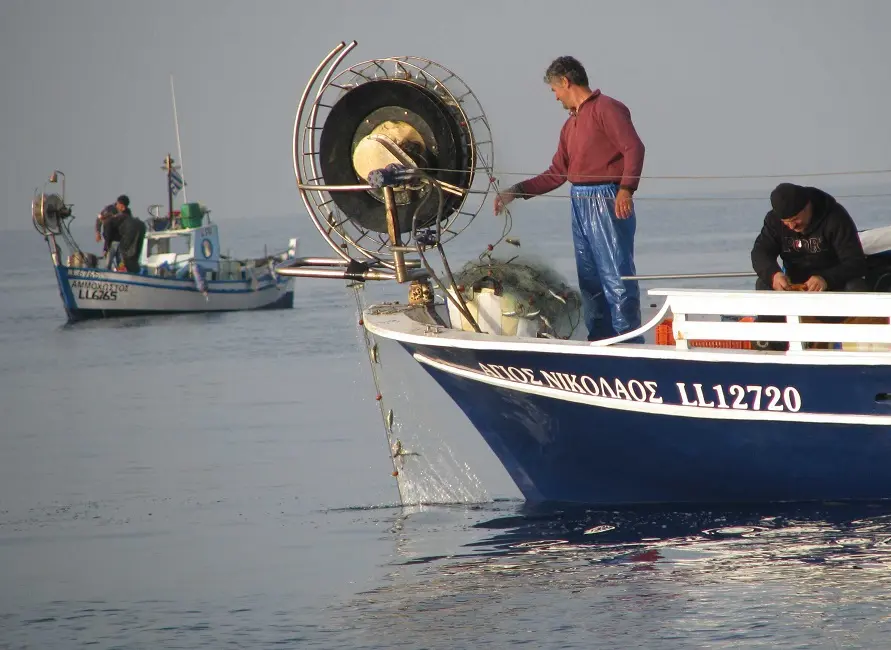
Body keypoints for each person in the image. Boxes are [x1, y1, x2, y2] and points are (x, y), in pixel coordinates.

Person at [493, 56, 646, 342]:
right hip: (579, 201)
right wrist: (517, 190)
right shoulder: (569, 126)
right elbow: (557, 173)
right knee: (590, 280)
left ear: (566, 81)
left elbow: (634, 148)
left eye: (555, 90)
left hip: (607, 199)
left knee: (617, 277)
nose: (555, 97)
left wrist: (626, 189)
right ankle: (600, 341)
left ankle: (629, 342)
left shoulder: (607, 108)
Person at [751, 182, 867, 292]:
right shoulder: (773, 221)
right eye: (786, 223)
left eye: (795, 219)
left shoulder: (835, 217)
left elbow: (855, 262)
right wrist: (774, 275)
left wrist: (826, 279)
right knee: (763, 284)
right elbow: (760, 252)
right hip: (793, 284)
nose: (792, 226)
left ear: (807, 206)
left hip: (833, 284)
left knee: (855, 286)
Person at [112, 194, 147, 273]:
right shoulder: (137, 223)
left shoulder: (120, 218)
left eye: (117, 204)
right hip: (133, 260)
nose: (116, 206)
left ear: (122, 206)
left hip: (126, 254)